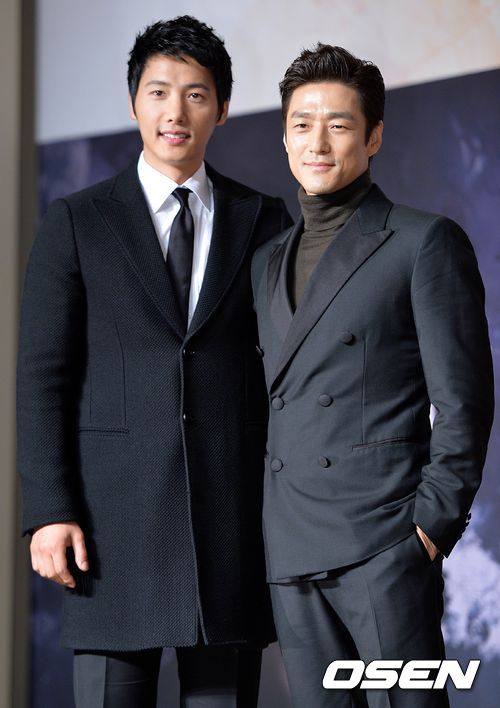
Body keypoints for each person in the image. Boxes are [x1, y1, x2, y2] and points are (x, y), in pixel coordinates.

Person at [17, 15, 290, 708]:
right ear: (134, 101)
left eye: (196, 95)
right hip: (111, 524)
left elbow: (284, 368)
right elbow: (43, 378)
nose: (176, 112)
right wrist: (48, 510)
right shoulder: (77, 221)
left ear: (221, 109)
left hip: (230, 519)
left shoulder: (264, 219)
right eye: (159, 92)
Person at [251, 44, 494, 708]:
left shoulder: (421, 241)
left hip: (383, 544)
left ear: (374, 136)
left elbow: (465, 402)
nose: (317, 142)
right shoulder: (267, 261)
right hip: (291, 549)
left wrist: (427, 531)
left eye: (339, 124)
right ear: (284, 136)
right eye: (302, 124)